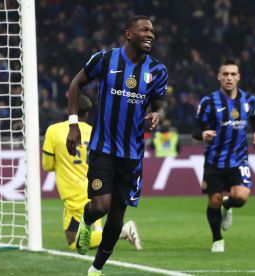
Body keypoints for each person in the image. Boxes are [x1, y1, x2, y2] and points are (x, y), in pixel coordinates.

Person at [66, 15, 167, 276]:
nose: (150, 34)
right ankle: (87, 221)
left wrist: (158, 114)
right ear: (129, 34)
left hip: (132, 155)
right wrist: (74, 124)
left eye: (152, 31)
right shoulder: (105, 59)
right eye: (144, 29)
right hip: (103, 148)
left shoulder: (157, 71)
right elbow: (76, 84)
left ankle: (96, 269)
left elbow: (159, 104)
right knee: (100, 206)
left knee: (117, 215)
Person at [42, 95, 142, 251]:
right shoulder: (97, 132)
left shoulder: (54, 131)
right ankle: (119, 231)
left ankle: (122, 230)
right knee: (85, 239)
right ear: (87, 114)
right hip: (97, 188)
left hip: (73, 191)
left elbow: (47, 165)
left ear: (70, 110)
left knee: (74, 242)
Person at [192, 60, 255, 252]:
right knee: (213, 200)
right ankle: (217, 239)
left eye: (232, 74)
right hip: (214, 160)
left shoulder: (249, 100)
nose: (229, 77)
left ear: (238, 77)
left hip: (239, 159)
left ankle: (228, 205)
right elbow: (195, 130)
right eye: (225, 74)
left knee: (241, 197)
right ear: (219, 77)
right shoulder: (208, 102)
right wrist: (203, 134)